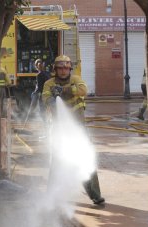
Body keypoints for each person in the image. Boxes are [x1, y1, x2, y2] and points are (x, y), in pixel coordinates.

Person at [43, 55, 105, 205]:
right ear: (55, 69)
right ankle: (52, 196)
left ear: (70, 68)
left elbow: (83, 90)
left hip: (78, 129)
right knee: (57, 162)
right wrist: (52, 98)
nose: (63, 71)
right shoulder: (49, 83)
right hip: (60, 130)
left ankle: (95, 195)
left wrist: (64, 90)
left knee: (85, 159)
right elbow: (45, 97)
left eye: (66, 68)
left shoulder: (76, 80)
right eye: (60, 68)